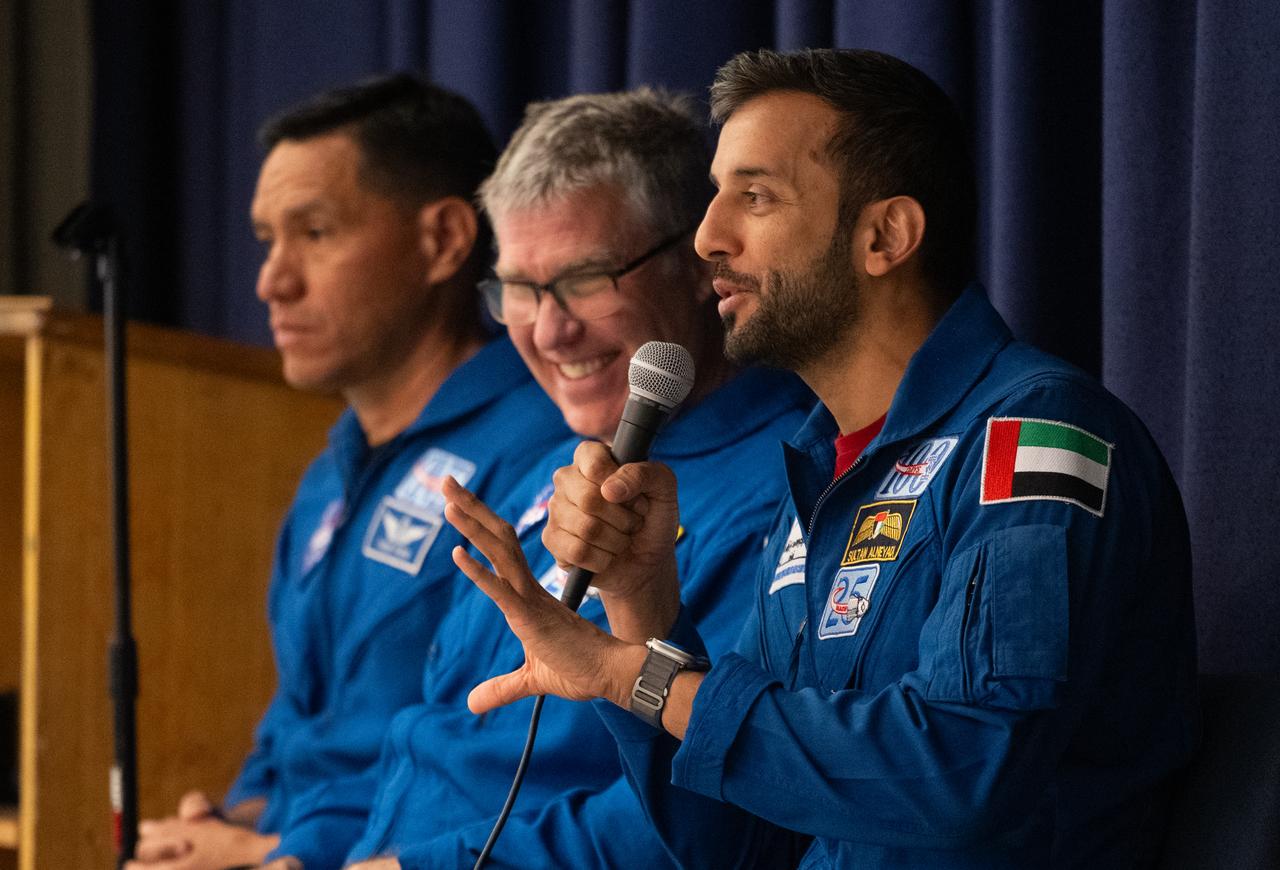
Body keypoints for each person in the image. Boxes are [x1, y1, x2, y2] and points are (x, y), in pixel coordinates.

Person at [450, 49, 1199, 867]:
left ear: (884, 236)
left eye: (755, 197)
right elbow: (735, 846)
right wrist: (642, 606)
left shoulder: (1031, 434)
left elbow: (964, 771)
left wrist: (631, 676)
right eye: (715, 196)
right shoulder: (822, 467)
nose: (706, 238)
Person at [338, 88, 814, 869]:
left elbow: (709, 812)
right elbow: (425, 745)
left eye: (587, 279)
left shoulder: (786, 487)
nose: (550, 330)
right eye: (520, 291)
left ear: (699, 264)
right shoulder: (553, 464)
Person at [125, 74, 567, 870]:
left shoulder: (546, 445)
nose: (271, 281)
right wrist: (218, 826)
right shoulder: (329, 475)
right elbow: (295, 737)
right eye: (267, 240)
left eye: (315, 233)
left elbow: (493, 755)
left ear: (443, 240)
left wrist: (275, 850)